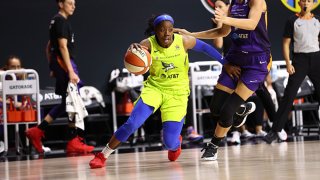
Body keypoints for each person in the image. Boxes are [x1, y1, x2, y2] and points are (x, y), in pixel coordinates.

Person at [89, 13, 239, 168]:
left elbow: (206, 48)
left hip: (177, 92)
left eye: (170, 29)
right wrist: (132, 50)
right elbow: (134, 54)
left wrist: (225, 63)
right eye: (162, 30)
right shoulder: (148, 43)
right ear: (155, 31)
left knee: (169, 142)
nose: (167, 33)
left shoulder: (184, 41)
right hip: (155, 89)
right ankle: (102, 155)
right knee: (132, 123)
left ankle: (175, 144)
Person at [175, 0, 271, 160]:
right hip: (235, 59)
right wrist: (191, 34)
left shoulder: (257, 1)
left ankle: (213, 146)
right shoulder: (234, 3)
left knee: (227, 111)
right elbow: (222, 32)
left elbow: (252, 24)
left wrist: (225, 18)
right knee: (215, 108)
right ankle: (241, 111)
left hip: (256, 61)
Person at [25, 0, 94, 154]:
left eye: (74, 3)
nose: (73, 6)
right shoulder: (61, 21)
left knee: (66, 102)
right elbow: (61, 46)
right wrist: (69, 70)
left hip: (60, 63)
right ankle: (74, 140)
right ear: (61, 4)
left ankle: (37, 131)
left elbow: (49, 46)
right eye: (70, 3)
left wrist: (52, 67)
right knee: (73, 100)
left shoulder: (55, 21)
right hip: (65, 63)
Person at [264, 0, 320, 144]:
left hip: (316, 58)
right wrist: (288, 63)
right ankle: (275, 131)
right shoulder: (292, 20)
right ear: (299, 3)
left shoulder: (317, 21)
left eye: (309, 1)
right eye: (303, 1)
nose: (306, 3)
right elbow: (285, 43)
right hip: (300, 60)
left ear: (312, 3)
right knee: (289, 96)